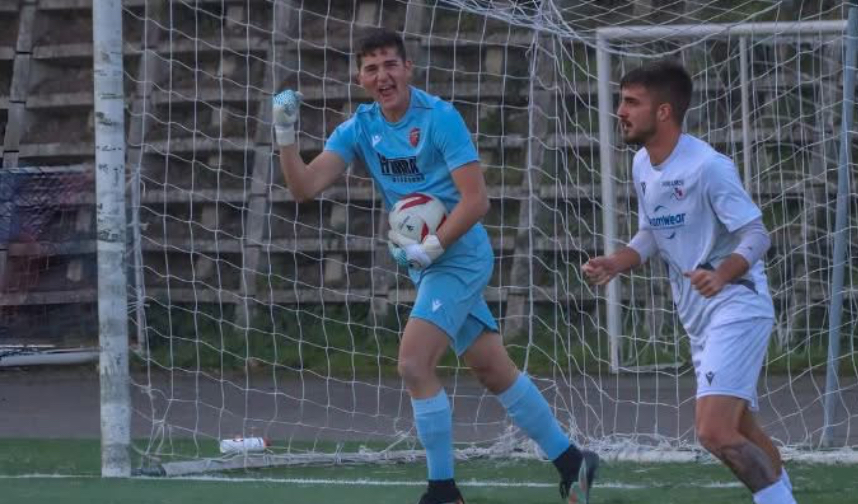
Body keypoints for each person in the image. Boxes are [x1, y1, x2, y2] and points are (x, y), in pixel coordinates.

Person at [273, 28, 598, 504]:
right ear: (360, 78)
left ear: (408, 69)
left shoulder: (440, 118)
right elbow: (303, 188)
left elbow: (477, 201)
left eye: (390, 65)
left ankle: (443, 491)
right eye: (371, 68)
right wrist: (285, 133)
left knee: (413, 362)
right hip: (427, 263)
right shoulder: (360, 127)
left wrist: (432, 246)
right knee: (492, 369)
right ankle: (574, 462)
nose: (382, 75)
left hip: (460, 255)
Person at [582, 60, 796, 504]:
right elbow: (651, 233)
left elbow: (757, 234)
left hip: (737, 304)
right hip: (698, 316)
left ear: (663, 112)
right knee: (739, 428)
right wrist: (618, 262)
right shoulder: (643, 163)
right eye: (622, 101)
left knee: (713, 430)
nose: (620, 111)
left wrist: (721, 275)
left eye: (631, 103)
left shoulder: (708, 167)